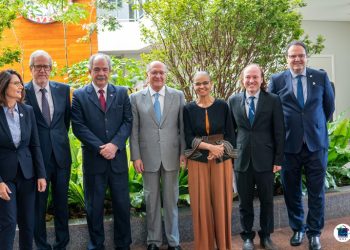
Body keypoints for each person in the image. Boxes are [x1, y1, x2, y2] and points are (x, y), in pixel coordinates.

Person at [269, 41, 335, 250]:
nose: (297, 59)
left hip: (316, 145)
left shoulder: (321, 77)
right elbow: (273, 112)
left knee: (317, 192)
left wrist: (315, 125)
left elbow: (329, 107)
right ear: (286, 58)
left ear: (306, 57)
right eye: (292, 56)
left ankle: (314, 233)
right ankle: (298, 228)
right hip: (289, 146)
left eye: (301, 55)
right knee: (291, 191)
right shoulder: (277, 80)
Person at [71, 53, 132, 250]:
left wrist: (114, 145)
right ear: (90, 71)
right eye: (97, 69)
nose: (101, 73)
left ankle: (123, 244)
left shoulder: (122, 93)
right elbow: (78, 127)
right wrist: (101, 148)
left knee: (122, 206)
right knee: (94, 207)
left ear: (110, 71)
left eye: (104, 69)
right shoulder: (80, 95)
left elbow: (127, 121)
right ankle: (96, 245)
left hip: (117, 160)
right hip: (94, 161)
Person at [130, 61, 185, 250]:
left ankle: (173, 241)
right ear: (147, 74)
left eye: (162, 73)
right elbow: (134, 130)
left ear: (166, 75)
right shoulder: (136, 98)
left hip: (172, 155)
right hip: (147, 157)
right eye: (154, 72)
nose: (158, 76)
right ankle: (153, 241)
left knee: (171, 201)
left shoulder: (177, 96)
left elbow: (182, 128)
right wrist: (135, 156)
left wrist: (183, 153)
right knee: (151, 200)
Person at [229, 64, 285, 250]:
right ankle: (247, 237)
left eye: (255, 77)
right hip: (242, 159)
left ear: (262, 79)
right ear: (242, 80)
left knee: (267, 200)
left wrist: (278, 159)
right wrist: (231, 157)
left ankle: (266, 236)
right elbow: (231, 132)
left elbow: (279, 131)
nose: (251, 81)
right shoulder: (233, 100)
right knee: (244, 202)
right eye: (247, 77)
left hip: (266, 159)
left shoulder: (273, 100)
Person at [24, 50, 71, 250]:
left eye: (46, 66)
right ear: (31, 68)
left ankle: (62, 244)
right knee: (38, 206)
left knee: (62, 204)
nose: (43, 70)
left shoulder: (62, 89)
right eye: (38, 66)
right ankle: (41, 245)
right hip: (36, 159)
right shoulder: (22, 91)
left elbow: (65, 121)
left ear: (51, 68)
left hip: (61, 157)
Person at [183, 71, 235, 250]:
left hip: (222, 160)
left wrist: (219, 149)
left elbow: (231, 133)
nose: (201, 87)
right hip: (198, 160)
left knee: (222, 205)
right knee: (201, 206)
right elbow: (188, 137)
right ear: (193, 86)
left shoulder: (222, 105)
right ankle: (204, 246)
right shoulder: (188, 108)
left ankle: (223, 246)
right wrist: (210, 148)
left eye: (205, 83)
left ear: (211, 84)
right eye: (197, 84)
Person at [0, 69, 47, 250]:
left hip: (28, 175)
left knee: (28, 223)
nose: (21, 87)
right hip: (5, 178)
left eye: (21, 83)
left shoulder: (27, 111)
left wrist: (41, 175)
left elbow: (35, 145)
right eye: (16, 83)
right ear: (4, 86)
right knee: (9, 222)